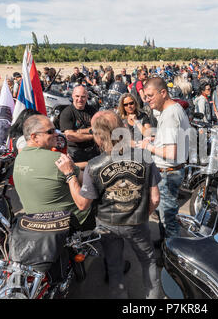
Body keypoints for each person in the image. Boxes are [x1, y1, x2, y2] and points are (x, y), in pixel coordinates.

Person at [55, 110, 162, 299]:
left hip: (107, 225)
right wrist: (142, 215)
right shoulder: (144, 157)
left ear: (97, 137)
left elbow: (82, 204)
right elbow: (154, 199)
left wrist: (70, 175)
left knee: (114, 267)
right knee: (148, 261)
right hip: (136, 222)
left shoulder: (94, 165)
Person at [137, 77, 190, 241]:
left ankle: (171, 257)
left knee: (169, 219)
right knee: (163, 214)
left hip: (168, 172)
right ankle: (164, 244)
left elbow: (171, 152)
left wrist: (148, 147)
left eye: (150, 95)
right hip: (169, 171)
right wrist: (156, 140)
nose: (147, 100)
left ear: (163, 93)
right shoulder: (172, 110)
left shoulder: (169, 115)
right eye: (145, 96)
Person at [59, 85, 99, 164]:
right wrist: (92, 135)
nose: (80, 99)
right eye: (77, 96)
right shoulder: (67, 113)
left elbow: (99, 129)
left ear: (87, 97)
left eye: (83, 97)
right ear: (73, 96)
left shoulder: (92, 110)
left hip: (93, 150)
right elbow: (70, 136)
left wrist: (79, 131)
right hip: (75, 151)